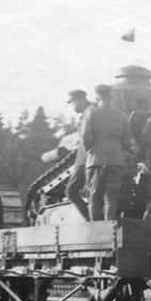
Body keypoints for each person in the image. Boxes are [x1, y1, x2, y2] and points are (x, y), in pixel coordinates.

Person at [82, 84, 136, 221]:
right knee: (111, 198)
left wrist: (92, 150)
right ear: (111, 96)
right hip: (116, 161)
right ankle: (108, 229)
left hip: (96, 160)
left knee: (94, 196)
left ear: (97, 96)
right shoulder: (121, 116)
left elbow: (85, 136)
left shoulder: (91, 113)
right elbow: (126, 141)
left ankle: (95, 230)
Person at [66, 89, 92, 221]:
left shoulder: (89, 113)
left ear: (79, 100)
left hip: (85, 160)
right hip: (86, 158)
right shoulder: (89, 112)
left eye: (72, 103)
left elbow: (88, 140)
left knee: (71, 192)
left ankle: (90, 221)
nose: (73, 107)